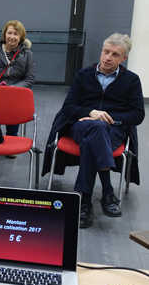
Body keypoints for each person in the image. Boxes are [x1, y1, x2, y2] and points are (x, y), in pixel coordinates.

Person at [42, 33, 144, 229]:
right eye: (106, 51)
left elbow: (138, 115)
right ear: (101, 51)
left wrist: (110, 119)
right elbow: (69, 107)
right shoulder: (83, 75)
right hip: (81, 125)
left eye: (115, 54)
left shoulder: (131, 80)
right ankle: (108, 192)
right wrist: (91, 112)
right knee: (95, 128)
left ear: (124, 59)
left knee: (93, 139)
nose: (108, 57)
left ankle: (85, 202)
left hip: (113, 129)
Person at [0, 20, 35, 139]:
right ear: (4, 34)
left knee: (15, 104)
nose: (12, 37)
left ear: (21, 37)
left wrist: (12, 89)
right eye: (9, 33)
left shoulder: (27, 54)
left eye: (16, 34)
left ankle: (12, 137)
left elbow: (30, 79)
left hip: (16, 92)